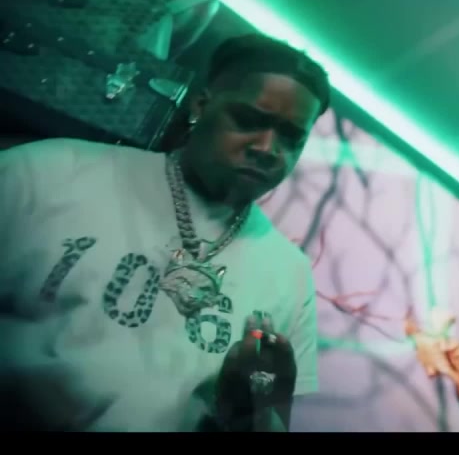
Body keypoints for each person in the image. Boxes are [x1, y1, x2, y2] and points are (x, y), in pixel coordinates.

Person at [0, 32, 329, 431]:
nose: (267, 148)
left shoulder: (290, 275)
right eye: (249, 121)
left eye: (291, 137)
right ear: (201, 105)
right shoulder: (48, 173)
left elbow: (271, 422)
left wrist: (248, 411)